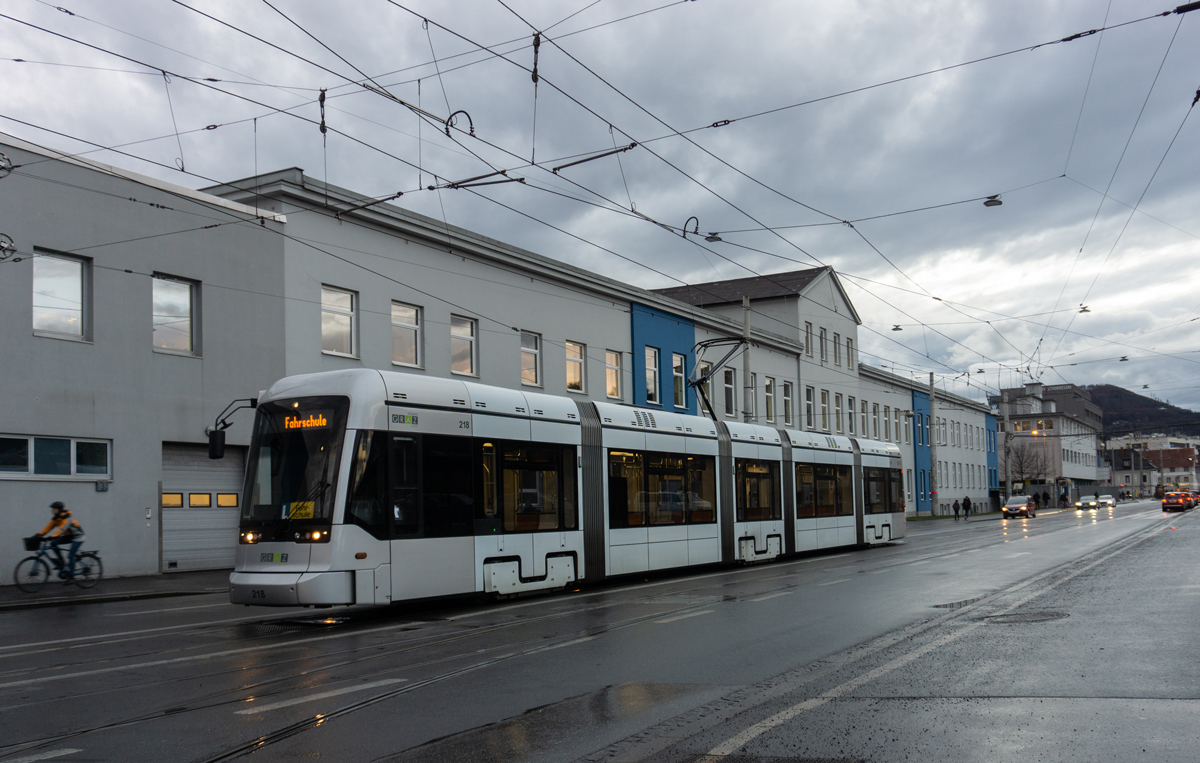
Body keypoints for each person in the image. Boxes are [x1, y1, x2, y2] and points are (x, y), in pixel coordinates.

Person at [34, 501, 85, 579]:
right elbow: (47, 529)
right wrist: (38, 535)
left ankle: (71, 577)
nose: (52, 510)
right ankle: (62, 562)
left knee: (70, 556)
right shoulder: (56, 518)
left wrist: (52, 536)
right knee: (53, 543)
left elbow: (61, 530)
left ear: (59, 509)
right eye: (52, 509)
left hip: (78, 537)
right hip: (69, 536)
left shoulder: (66, 518)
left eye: (54, 509)